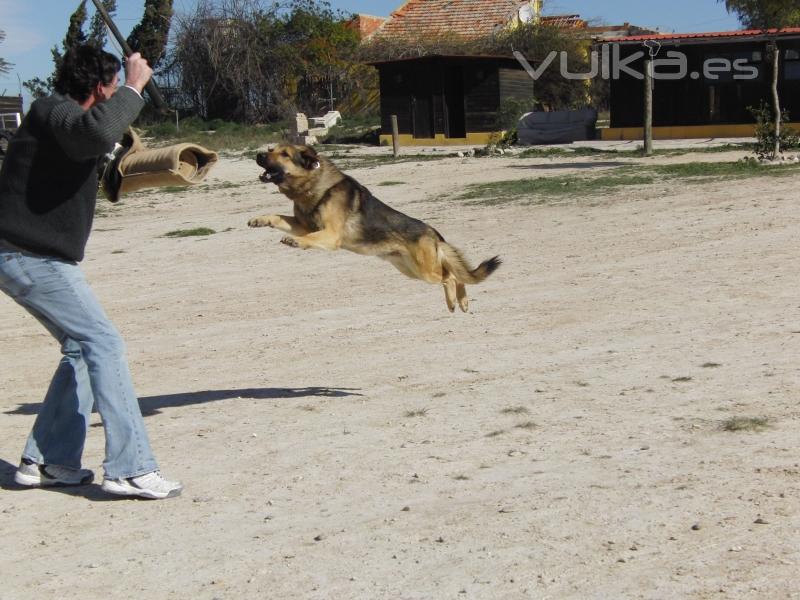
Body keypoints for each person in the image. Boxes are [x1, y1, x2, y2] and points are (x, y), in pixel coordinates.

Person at [0, 44, 181, 499]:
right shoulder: (51, 111)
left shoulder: (70, 124)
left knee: (81, 348)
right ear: (99, 87)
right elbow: (95, 135)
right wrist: (137, 85)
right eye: (115, 83)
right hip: (28, 256)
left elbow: (102, 144)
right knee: (104, 344)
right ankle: (130, 467)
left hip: (29, 256)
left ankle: (48, 460)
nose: (119, 89)